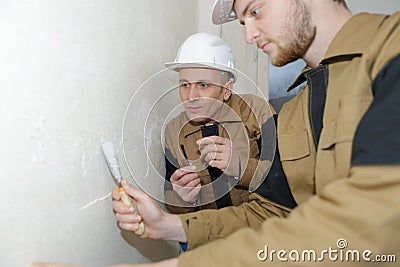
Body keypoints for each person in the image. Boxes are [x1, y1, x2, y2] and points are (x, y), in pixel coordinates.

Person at [32, 0, 400, 266]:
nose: (251, 34)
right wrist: (171, 222)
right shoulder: (295, 114)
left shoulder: (391, 50)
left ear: (225, 88)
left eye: (255, 10)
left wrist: (240, 167)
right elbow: (273, 212)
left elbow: (375, 226)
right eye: (243, 22)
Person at [163, 32, 274, 214]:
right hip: (210, 237)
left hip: (260, 232)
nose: (191, 97)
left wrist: (240, 166)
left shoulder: (258, 111)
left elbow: (288, 181)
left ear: (227, 90)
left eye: (204, 85)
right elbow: (172, 204)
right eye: (184, 85)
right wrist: (183, 199)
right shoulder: (174, 130)